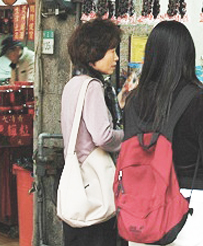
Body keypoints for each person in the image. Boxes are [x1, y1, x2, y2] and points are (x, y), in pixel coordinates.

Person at [124, 21, 203, 246]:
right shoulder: (199, 99)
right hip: (191, 205)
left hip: (143, 207)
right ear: (187, 55)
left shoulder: (133, 100)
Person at [61, 19, 124, 246]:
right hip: (94, 182)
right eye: (111, 51)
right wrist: (127, 136)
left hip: (77, 181)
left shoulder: (73, 84)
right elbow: (103, 136)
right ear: (94, 51)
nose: (116, 58)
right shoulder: (93, 86)